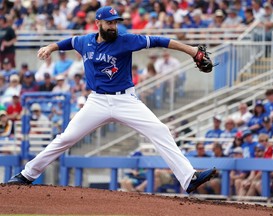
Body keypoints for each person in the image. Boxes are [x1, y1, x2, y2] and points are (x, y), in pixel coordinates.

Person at [7, 6, 216, 194]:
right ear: (98, 23)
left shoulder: (126, 40)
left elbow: (161, 41)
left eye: (116, 22)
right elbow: (69, 42)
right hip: (96, 102)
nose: (114, 26)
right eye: (109, 22)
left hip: (125, 100)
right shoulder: (85, 41)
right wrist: (51, 47)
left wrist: (192, 51)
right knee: (65, 138)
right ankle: (27, 175)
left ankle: (189, 178)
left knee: (160, 130)